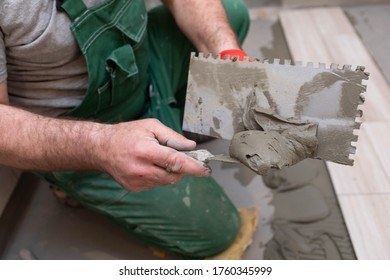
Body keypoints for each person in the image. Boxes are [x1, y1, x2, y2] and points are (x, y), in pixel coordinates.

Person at [0, 0, 250, 258]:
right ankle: (79, 184)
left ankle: (174, 123)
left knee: (231, 18)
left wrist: (226, 52)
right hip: (85, 133)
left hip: (143, 70)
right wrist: (101, 146)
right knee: (217, 232)